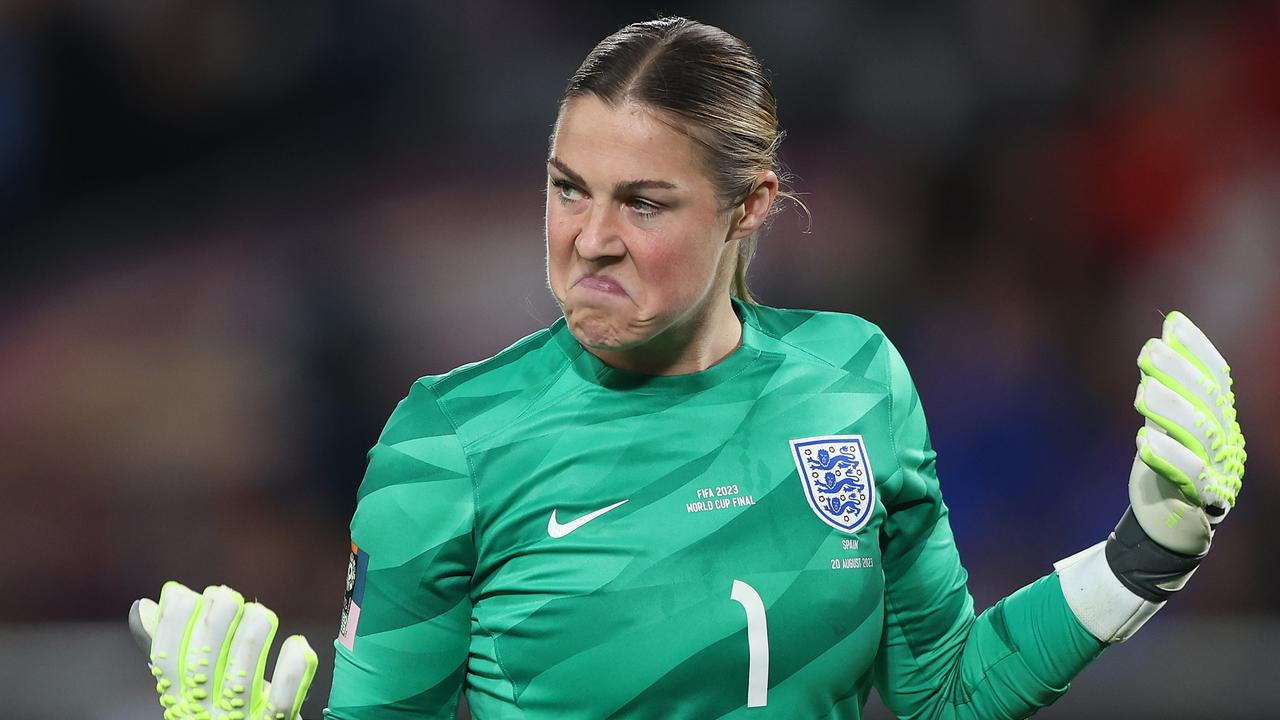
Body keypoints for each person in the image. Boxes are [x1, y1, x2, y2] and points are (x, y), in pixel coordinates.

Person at [129, 16, 1247, 720]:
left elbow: (943, 692)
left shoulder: (853, 381)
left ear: (748, 208)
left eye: (642, 201)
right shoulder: (451, 440)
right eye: (568, 188)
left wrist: (1145, 554)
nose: (588, 238)